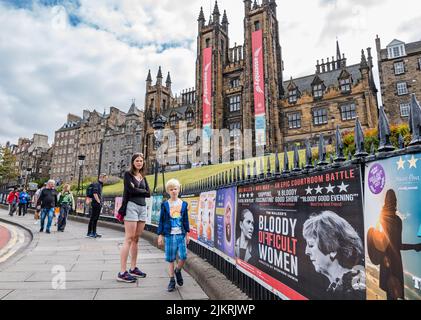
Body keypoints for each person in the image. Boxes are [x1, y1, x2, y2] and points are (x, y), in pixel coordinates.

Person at [370, 189, 421, 300]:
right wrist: (414, 246)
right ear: (395, 202)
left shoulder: (381, 219)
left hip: (386, 262)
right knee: (394, 294)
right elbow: (398, 245)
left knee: (391, 294)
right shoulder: (396, 220)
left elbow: (377, 241)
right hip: (394, 262)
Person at [303, 211, 366, 300]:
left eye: (311, 245)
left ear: (332, 250)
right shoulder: (342, 287)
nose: (306, 251)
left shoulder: (353, 291)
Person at [117, 153, 151, 283]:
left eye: (141, 161)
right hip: (131, 207)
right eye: (137, 160)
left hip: (142, 208)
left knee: (136, 239)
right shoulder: (128, 175)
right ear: (132, 162)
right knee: (129, 238)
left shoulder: (143, 177)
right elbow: (131, 191)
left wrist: (137, 189)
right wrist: (139, 190)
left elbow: (148, 193)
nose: (139, 162)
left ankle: (133, 268)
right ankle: (122, 272)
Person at [158, 179, 190, 292]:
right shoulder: (165, 204)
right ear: (168, 191)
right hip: (169, 235)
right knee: (170, 258)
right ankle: (172, 280)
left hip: (181, 234)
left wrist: (188, 234)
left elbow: (186, 220)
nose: (173, 191)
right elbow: (161, 220)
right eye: (171, 189)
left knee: (183, 256)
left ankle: (178, 270)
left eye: (175, 189)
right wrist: (160, 235)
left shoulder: (183, 204)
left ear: (179, 189)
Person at [86, 174, 108, 238]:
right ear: (102, 177)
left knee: (94, 218)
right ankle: (92, 233)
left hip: (96, 203)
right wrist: (99, 202)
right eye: (105, 178)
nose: (106, 180)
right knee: (94, 218)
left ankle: (92, 232)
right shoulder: (97, 184)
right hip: (96, 204)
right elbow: (95, 194)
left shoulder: (100, 184)